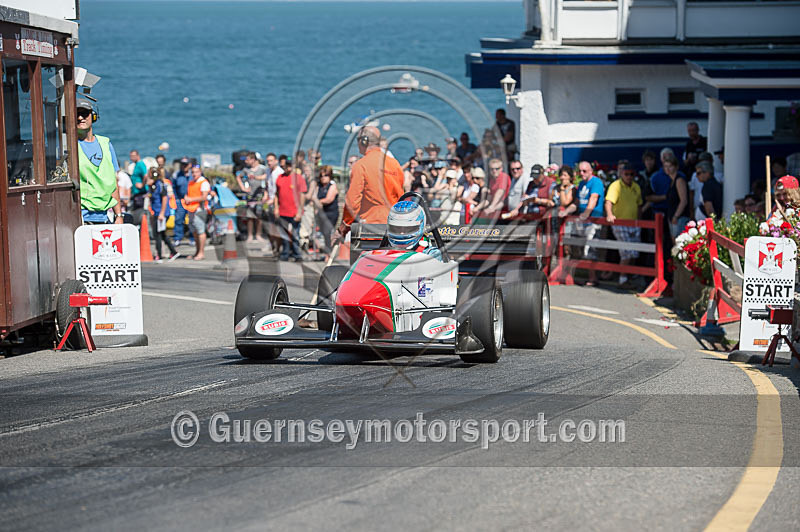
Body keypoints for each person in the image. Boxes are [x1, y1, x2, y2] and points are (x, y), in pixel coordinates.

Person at [338, 126, 404, 236]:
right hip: (394, 225)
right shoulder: (395, 164)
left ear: (364, 141)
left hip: (370, 227)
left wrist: (344, 226)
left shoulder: (360, 165)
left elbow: (352, 202)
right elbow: (400, 195)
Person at [76, 99, 124, 225]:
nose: (80, 117)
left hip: (103, 217)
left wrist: (118, 215)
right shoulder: (69, 146)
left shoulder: (106, 144)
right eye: (76, 114)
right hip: (80, 217)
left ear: (93, 116)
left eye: (84, 114)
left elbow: (112, 183)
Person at [604, 160, 643, 287]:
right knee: (626, 252)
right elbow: (608, 202)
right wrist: (610, 215)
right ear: (622, 174)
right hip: (620, 223)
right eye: (626, 174)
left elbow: (639, 205)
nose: (629, 177)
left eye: (631, 174)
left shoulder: (636, 187)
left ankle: (627, 276)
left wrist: (639, 221)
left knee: (634, 252)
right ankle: (622, 278)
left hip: (633, 223)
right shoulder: (615, 186)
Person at [575, 161, 605, 286]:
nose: (582, 173)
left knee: (591, 247)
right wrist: (566, 211)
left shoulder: (596, 182)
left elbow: (593, 198)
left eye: (584, 171)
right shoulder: (582, 183)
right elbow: (577, 201)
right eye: (580, 171)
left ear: (591, 171)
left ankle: (593, 278)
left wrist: (586, 214)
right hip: (583, 220)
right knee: (582, 247)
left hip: (593, 219)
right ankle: (585, 275)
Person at [274, 159, 306, 261]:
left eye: (289, 166)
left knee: (295, 234)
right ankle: (285, 253)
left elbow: (302, 195)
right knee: (284, 234)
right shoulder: (280, 177)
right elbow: (277, 194)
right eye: (286, 166)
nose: (287, 168)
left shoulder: (299, 178)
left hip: (294, 211)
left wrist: (300, 211)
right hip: (283, 211)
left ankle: (297, 254)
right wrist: (276, 208)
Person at [148, 167, 179, 262]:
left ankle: (159, 255)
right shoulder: (154, 185)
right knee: (162, 234)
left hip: (161, 213)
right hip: (157, 212)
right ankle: (173, 251)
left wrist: (162, 213)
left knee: (158, 234)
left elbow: (165, 199)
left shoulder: (161, 185)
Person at [237, 152, 268, 242]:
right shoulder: (246, 170)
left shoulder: (262, 168)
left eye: (247, 159)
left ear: (253, 159)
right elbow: (238, 177)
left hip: (260, 195)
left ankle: (258, 234)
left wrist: (256, 177)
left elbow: (266, 177)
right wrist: (243, 188)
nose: (246, 161)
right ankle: (250, 235)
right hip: (250, 195)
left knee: (259, 216)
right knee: (250, 216)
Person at [182, 165, 211, 260]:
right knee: (194, 231)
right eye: (193, 172)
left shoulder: (204, 182)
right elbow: (189, 193)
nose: (194, 174)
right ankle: (197, 251)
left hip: (199, 209)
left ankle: (201, 253)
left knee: (200, 231)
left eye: (196, 172)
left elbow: (204, 197)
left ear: (200, 172)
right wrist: (186, 198)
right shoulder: (191, 182)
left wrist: (191, 199)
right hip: (191, 209)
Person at [312, 165, 339, 258]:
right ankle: (326, 251)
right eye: (322, 176)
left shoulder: (332, 186)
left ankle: (329, 254)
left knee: (328, 232)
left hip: (331, 213)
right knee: (323, 233)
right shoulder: (319, 186)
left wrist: (319, 202)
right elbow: (314, 196)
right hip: (321, 212)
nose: (323, 178)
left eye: (326, 175)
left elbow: (329, 199)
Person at [665, 153, 690, 238]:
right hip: (672, 216)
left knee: (680, 244)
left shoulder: (679, 180)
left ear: (676, 167)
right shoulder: (671, 181)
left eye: (670, 166)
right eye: (665, 166)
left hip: (680, 218)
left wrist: (676, 216)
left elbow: (684, 200)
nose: (667, 169)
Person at [172, 157, 191, 246]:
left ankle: (192, 238)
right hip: (181, 200)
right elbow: (173, 187)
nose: (184, 166)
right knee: (178, 219)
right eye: (182, 164)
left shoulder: (193, 174)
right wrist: (176, 199)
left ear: (190, 165)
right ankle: (177, 238)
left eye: (185, 165)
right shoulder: (176, 175)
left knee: (192, 220)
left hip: (192, 201)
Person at [128, 149, 148, 214]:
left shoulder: (140, 164)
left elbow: (146, 175)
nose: (131, 158)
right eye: (131, 156)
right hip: (136, 193)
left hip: (141, 193)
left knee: (140, 212)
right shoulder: (136, 164)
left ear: (138, 155)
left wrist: (142, 184)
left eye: (133, 156)